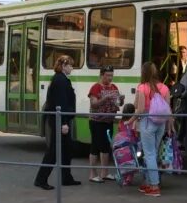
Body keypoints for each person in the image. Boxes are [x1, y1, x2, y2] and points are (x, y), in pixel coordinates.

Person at [34, 55, 81, 189]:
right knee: (54, 152)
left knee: (67, 150)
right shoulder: (60, 80)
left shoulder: (61, 79)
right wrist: (64, 123)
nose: (72, 68)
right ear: (64, 66)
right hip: (59, 121)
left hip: (60, 120)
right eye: (71, 65)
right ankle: (41, 179)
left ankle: (66, 177)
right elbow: (61, 103)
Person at [129, 61, 173, 197]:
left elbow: (140, 108)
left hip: (148, 122)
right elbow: (168, 109)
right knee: (153, 152)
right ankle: (148, 182)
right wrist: (169, 126)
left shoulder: (142, 87)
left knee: (149, 154)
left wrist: (130, 121)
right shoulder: (165, 88)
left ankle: (154, 185)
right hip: (161, 123)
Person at [87, 65, 122, 183]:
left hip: (108, 121)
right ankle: (92, 174)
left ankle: (105, 172)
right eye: (107, 75)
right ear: (102, 75)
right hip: (96, 121)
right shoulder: (96, 87)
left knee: (106, 146)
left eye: (111, 75)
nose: (110, 78)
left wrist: (120, 100)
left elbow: (118, 104)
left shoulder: (114, 87)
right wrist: (105, 98)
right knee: (95, 146)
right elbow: (94, 104)